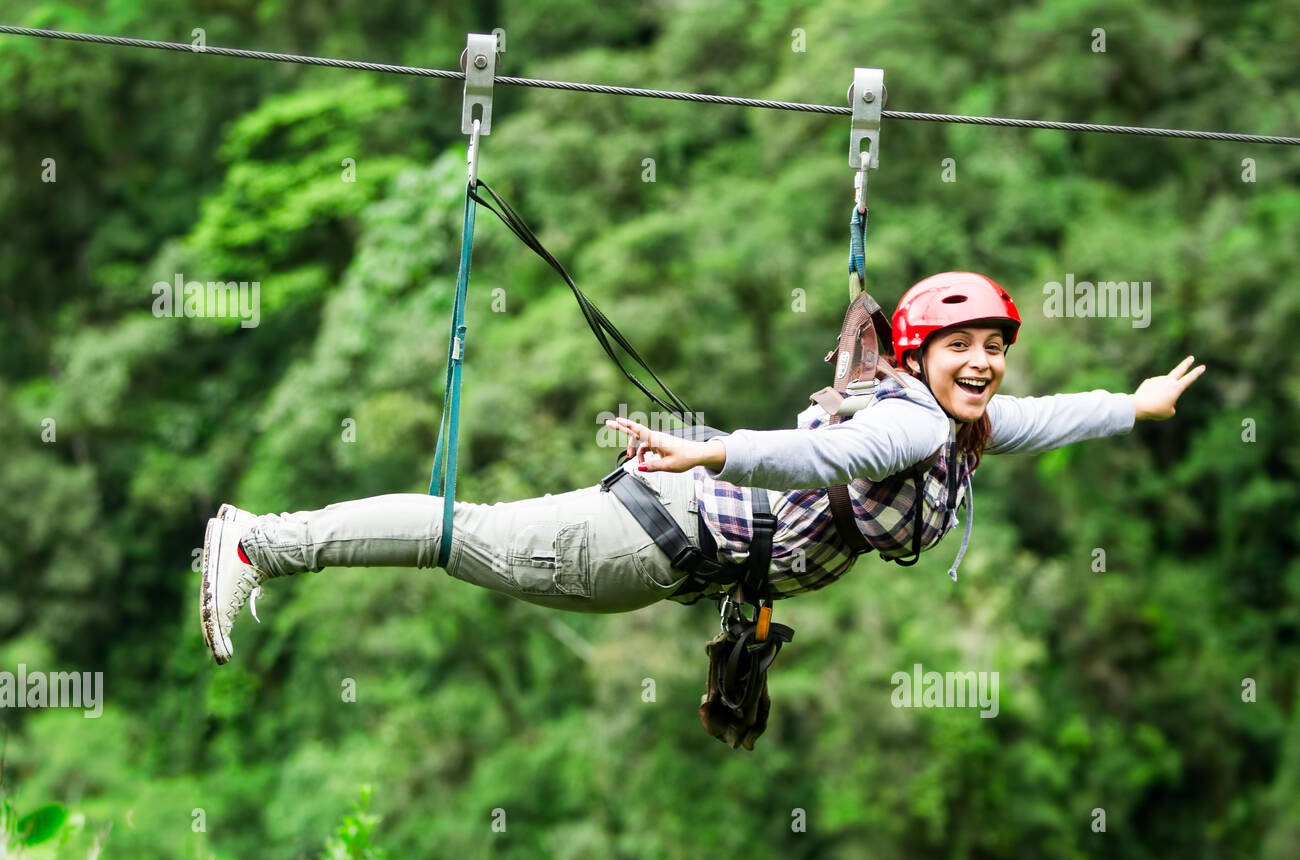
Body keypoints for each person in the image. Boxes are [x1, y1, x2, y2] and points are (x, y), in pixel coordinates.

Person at [199, 271, 1205, 664]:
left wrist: (1134, 402)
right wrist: (716, 446)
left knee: (465, 537)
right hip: (649, 538)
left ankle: (266, 541)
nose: (983, 363)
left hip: (668, 544)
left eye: (995, 345)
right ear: (914, 356)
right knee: (460, 536)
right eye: (961, 347)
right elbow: (827, 453)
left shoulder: (958, 420)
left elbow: (1042, 417)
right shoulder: (907, 426)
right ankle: (258, 541)